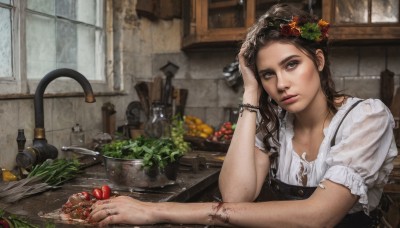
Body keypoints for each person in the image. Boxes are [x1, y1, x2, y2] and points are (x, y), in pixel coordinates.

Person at [89, 3, 398, 227]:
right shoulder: (275, 123)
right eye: (267, 74)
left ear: (318, 60)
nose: (281, 84)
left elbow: (318, 217)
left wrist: (156, 211)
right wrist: (250, 94)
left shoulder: (366, 119)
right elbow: (236, 196)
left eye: (291, 64)